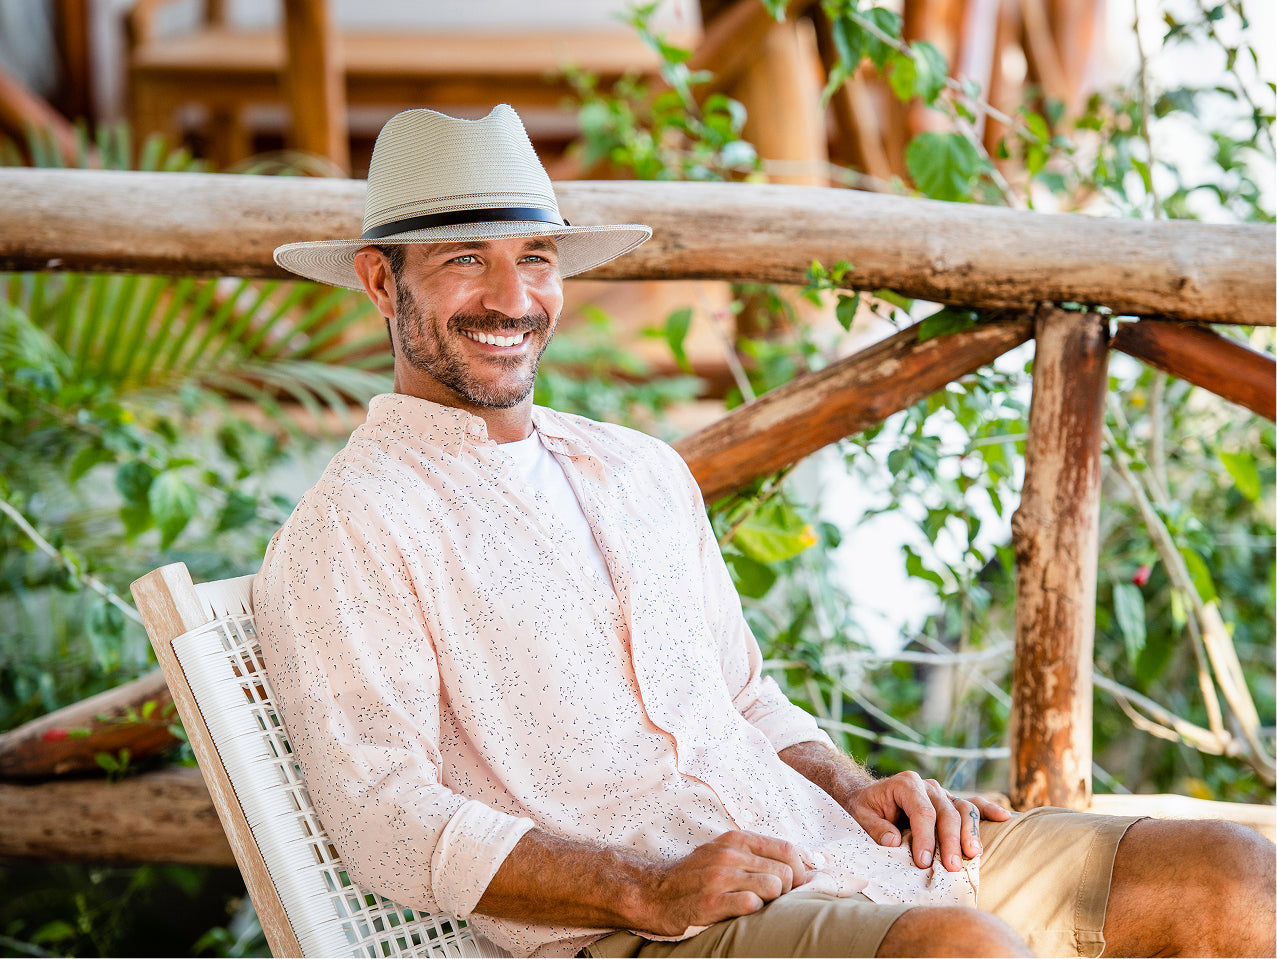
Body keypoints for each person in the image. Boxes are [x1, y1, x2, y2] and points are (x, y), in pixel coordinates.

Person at [254, 105, 1274, 959]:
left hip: (833, 846)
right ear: (381, 282)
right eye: (463, 261)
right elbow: (382, 811)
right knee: (956, 951)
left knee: (1229, 872)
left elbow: (742, 695)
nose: (512, 298)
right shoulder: (353, 526)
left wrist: (852, 787)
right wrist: (643, 887)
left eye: (535, 257)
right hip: (647, 929)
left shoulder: (637, 469)